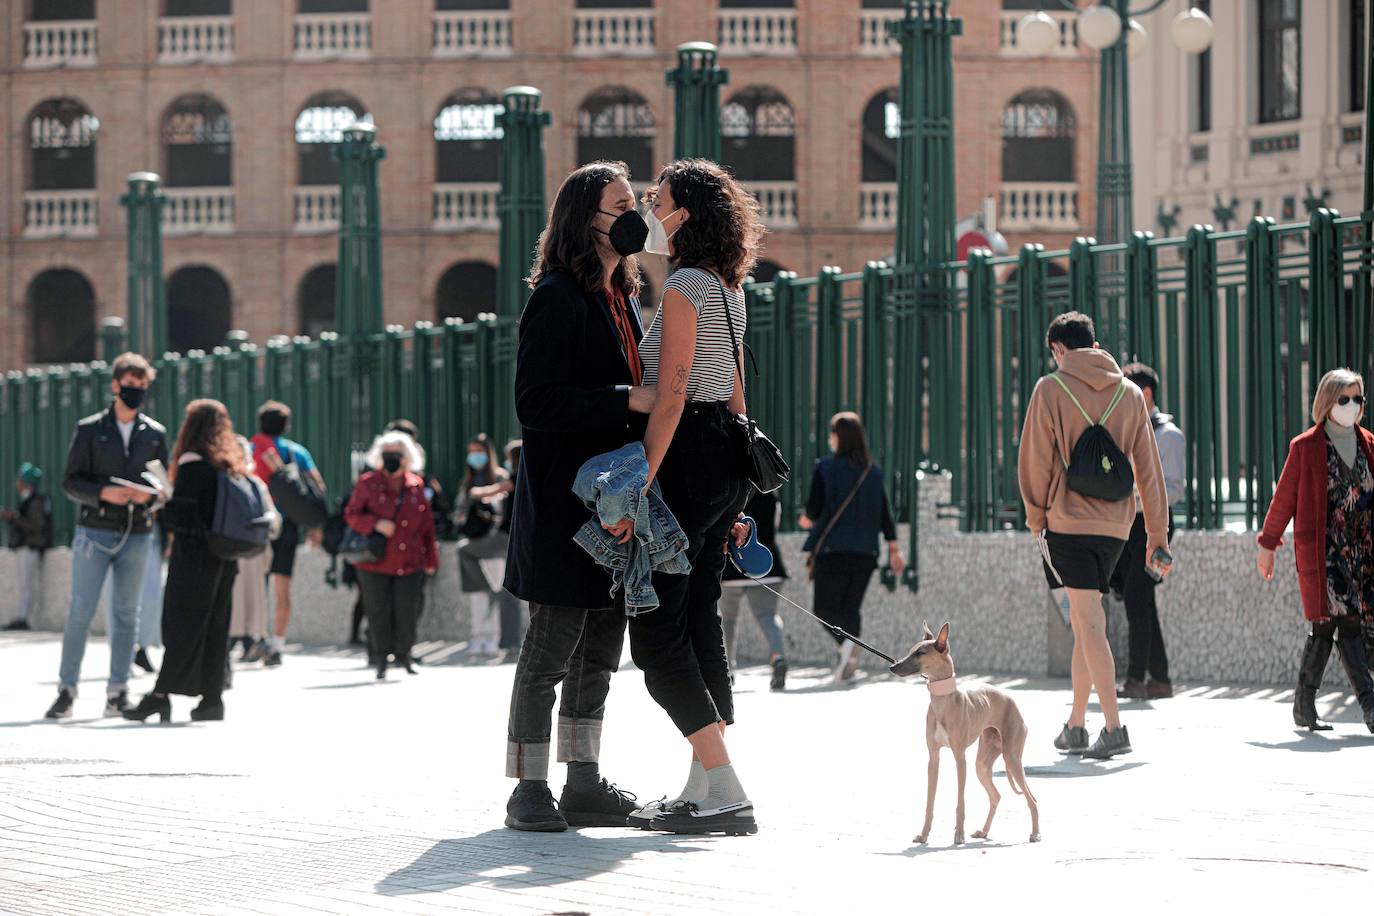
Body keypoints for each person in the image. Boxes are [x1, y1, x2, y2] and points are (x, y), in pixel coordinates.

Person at [503, 161, 656, 833]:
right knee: (550, 651)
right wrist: (626, 399)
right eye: (620, 204)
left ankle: (584, 780)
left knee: (601, 649)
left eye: (635, 201)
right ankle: (528, 787)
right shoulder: (558, 297)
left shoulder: (620, 295)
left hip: (613, 508)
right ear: (585, 220)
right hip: (567, 508)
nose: (634, 214)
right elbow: (534, 401)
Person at [627, 158, 768, 836]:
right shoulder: (727, 285)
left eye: (659, 198)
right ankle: (705, 782)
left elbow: (674, 390)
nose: (651, 207)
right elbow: (737, 390)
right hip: (724, 451)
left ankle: (729, 789)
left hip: (685, 454)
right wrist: (737, 494)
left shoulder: (684, 284)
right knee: (699, 614)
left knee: (656, 633)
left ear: (684, 213)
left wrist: (641, 478)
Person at [1017, 312, 1170, 759]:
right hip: (1118, 529)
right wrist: (1156, 532)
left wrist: (1035, 518)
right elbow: (1150, 470)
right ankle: (1076, 725)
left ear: (1059, 350)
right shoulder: (1128, 392)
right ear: (1095, 344)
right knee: (1089, 621)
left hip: (1068, 524)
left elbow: (1035, 462)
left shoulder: (1050, 388)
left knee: (1089, 622)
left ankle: (1114, 728)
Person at [46, 353, 168, 720]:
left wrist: (150, 495)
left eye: (142, 387)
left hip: (138, 531)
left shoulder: (155, 433)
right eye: (130, 386)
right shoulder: (90, 429)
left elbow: (164, 485)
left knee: (127, 614)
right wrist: (102, 493)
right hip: (95, 531)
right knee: (81, 610)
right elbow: (70, 480)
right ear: (116, 385)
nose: (136, 392)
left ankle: (118, 691)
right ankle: (67, 689)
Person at [1257, 368, 1374, 733]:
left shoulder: (1369, 442)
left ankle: (1303, 705)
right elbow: (1283, 499)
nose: (1352, 406)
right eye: (1344, 399)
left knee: (1324, 628)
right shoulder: (1305, 447)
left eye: (1358, 399)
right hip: (1326, 552)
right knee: (1349, 626)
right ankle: (1370, 706)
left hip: (1363, 553)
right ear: (1326, 403)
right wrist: (1268, 544)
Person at [125, 399, 257, 723]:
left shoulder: (192, 461)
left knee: (181, 625)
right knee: (215, 627)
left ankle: (160, 695)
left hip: (194, 557)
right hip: (224, 556)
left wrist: (162, 501)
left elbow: (182, 518)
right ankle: (211, 700)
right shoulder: (227, 461)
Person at [799, 412, 905, 685]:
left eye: (832, 433)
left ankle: (847, 648)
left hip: (833, 551)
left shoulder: (825, 467)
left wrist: (807, 519)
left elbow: (813, 509)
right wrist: (894, 548)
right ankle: (849, 657)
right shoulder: (873, 471)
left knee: (822, 607)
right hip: (866, 553)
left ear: (839, 437)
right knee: (850, 609)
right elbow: (885, 514)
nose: (829, 439)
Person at [1112, 363, 1185, 700]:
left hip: (1156, 526)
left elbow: (1175, 489)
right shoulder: (1126, 429)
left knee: (1138, 596)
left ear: (1146, 393)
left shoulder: (1168, 435)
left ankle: (1136, 678)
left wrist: (1141, 491)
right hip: (1129, 526)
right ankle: (1160, 678)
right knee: (1142, 599)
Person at [344, 431, 438, 681]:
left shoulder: (416, 485)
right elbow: (352, 514)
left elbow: (428, 526)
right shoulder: (367, 482)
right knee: (378, 611)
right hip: (375, 562)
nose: (392, 459)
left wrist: (431, 560)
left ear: (407, 458)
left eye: (397, 454)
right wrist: (375, 523)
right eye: (387, 455)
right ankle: (380, 658)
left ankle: (405, 655)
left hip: (410, 562)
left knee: (408, 609)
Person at [250, 401, 325, 668]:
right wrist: (314, 526)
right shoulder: (296, 452)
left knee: (256, 585)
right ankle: (278, 643)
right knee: (283, 586)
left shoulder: (251, 450)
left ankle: (255, 637)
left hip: (257, 524)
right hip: (289, 526)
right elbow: (317, 486)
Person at [719, 487, 789, 690]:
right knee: (768, 616)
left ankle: (728, 669)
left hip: (733, 567)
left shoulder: (731, 491)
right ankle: (778, 658)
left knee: (728, 620)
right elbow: (774, 525)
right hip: (766, 565)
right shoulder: (770, 495)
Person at [457, 434, 515, 656]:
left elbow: (500, 508)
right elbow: (460, 508)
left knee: (496, 591)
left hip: (494, 542)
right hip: (476, 540)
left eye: (479, 452)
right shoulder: (467, 480)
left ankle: (494, 638)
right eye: (472, 451)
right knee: (478, 596)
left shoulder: (500, 476)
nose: (475, 456)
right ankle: (477, 636)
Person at [230, 436, 278, 664]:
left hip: (253, 551)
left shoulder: (256, 485)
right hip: (229, 551)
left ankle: (255, 640)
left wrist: (265, 522)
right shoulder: (222, 483)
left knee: (253, 600)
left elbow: (274, 518)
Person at [4, 463, 52, 631]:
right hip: (26, 547)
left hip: (31, 548)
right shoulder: (28, 501)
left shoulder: (35, 502)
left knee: (28, 585)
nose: (18, 483)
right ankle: (22, 616)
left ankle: (24, 618)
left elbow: (34, 525)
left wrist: (13, 518)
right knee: (25, 585)